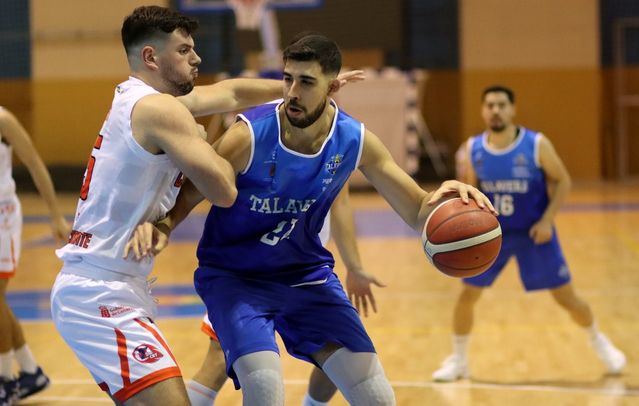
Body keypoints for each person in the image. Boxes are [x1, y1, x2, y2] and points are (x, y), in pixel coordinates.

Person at [126, 33, 495, 405]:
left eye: (306, 82)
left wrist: (446, 200)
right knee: (264, 389)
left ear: (332, 87)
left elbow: (417, 209)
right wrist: (163, 225)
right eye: (288, 79)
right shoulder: (249, 134)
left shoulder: (354, 140)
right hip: (236, 278)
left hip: (306, 276)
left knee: (378, 399)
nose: (292, 92)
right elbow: (191, 192)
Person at [47, 6, 366, 405]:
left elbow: (231, 92)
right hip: (98, 292)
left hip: (111, 281)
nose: (196, 58)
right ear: (151, 57)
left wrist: (299, 90)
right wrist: (199, 142)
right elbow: (223, 191)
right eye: (184, 51)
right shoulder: (161, 110)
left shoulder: (143, 100)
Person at [432, 85, 626, 382]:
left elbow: (562, 181)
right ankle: (458, 361)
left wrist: (548, 219)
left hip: (535, 233)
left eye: (501, 105)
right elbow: (469, 192)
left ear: (512, 109)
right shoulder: (473, 149)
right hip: (493, 236)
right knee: (467, 296)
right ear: (483, 110)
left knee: (567, 298)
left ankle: (601, 344)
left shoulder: (536, 145)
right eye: (490, 105)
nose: (495, 110)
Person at [186, 185, 384, 406]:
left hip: (306, 271)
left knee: (342, 349)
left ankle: (312, 404)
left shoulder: (338, 153)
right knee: (221, 362)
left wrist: (354, 266)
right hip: (249, 271)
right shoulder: (257, 153)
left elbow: (341, 202)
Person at [0, 107, 70, 405]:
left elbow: (35, 164)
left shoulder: (3, 119)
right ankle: (29, 371)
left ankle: (5, 380)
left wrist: (56, 216)